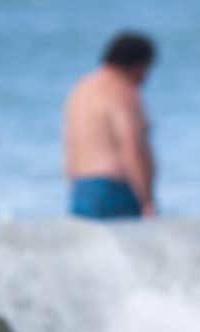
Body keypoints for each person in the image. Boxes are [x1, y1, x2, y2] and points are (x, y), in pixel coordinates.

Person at [64, 32, 157, 219]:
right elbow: (131, 145)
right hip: (116, 188)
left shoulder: (81, 89)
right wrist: (147, 200)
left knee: (90, 247)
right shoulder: (122, 91)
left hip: (81, 189)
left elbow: (70, 145)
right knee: (132, 248)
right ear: (139, 65)